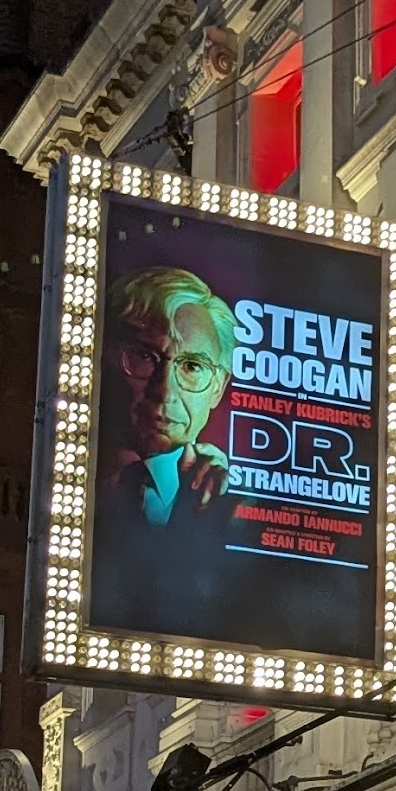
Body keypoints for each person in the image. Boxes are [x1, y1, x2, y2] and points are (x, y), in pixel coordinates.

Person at [91, 266, 236, 634]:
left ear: (218, 387)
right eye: (144, 357)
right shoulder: (65, 481)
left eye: (192, 366)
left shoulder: (236, 508)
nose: (165, 391)